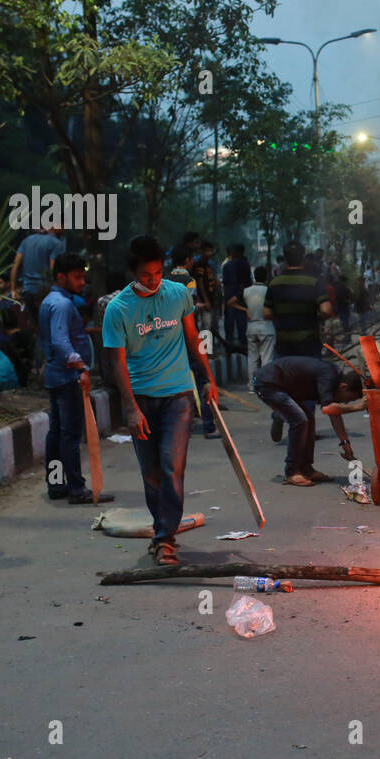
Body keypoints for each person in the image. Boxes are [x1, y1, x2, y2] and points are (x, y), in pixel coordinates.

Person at [101, 236, 219, 566]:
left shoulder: (178, 294)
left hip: (178, 396)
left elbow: (193, 338)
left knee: (172, 467)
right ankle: (160, 531)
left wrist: (208, 377)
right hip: (142, 398)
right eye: (145, 274)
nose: (152, 280)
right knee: (151, 472)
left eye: (156, 273)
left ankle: (166, 538)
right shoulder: (118, 309)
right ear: (132, 272)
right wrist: (130, 408)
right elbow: (118, 362)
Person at [39, 252, 114, 504]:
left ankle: (57, 484)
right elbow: (60, 341)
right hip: (67, 375)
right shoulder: (62, 304)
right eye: (77, 277)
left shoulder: (50, 301)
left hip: (54, 375)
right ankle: (75, 488)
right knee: (70, 434)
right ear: (61, 277)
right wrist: (81, 367)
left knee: (56, 433)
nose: (82, 282)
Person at [253, 356, 364, 487]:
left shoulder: (334, 379)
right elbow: (328, 409)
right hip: (268, 384)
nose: (345, 403)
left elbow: (334, 413)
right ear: (344, 387)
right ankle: (292, 471)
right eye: (348, 399)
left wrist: (345, 442)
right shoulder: (329, 377)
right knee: (300, 421)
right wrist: (357, 407)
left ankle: (306, 469)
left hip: (285, 387)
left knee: (309, 420)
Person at [167, 246, 218, 438]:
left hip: (170, 338)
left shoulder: (165, 281)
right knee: (202, 377)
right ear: (188, 261)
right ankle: (209, 426)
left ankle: (177, 426)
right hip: (187, 335)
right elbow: (190, 308)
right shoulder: (189, 281)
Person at [266, 243, 331, 359]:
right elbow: (326, 310)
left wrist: (283, 317)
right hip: (309, 346)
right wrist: (316, 317)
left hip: (283, 347)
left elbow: (266, 313)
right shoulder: (314, 282)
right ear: (303, 259)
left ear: (285, 259)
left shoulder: (274, 283)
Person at [9, 222, 66, 325]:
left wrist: (13, 289)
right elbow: (54, 270)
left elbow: (15, 266)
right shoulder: (55, 243)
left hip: (27, 291)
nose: (63, 229)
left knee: (31, 324)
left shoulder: (26, 241)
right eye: (62, 225)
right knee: (47, 325)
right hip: (44, 292)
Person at [242, 266, 276, 391]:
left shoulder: (246, 291)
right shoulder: (269, 290)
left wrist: (245, 309)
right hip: (266, 327)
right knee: (267, 358)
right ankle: (265, 385)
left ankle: (252, 385)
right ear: (266, 277)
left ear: (254, 276)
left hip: (251, 327)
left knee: (252, 358)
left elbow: (231, 301)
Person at [222, 242, 253, 351]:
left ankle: (229, 345)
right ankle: (243, 345)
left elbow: (225, 283)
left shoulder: (227, 265)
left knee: (230, 322)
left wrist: (227, 297)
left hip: (231, 297)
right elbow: (247, 283)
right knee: (241, 322)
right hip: (241, 297)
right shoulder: (245, 264)